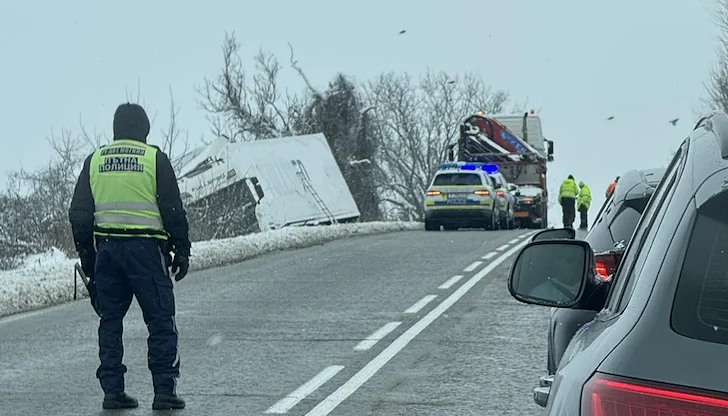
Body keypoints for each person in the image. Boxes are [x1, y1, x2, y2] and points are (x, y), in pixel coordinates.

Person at [68, 103, 191, 410]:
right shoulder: (154, 159)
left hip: (108, 250)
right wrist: (181, 249)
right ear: (144, 130)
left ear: (116, 129)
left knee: (109, 320)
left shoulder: (95, 160)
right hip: (146, 251)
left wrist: (89, 259)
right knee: (160, 321)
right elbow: (173, 210)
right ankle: (164, 391)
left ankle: (113, 391)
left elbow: (79, 214)